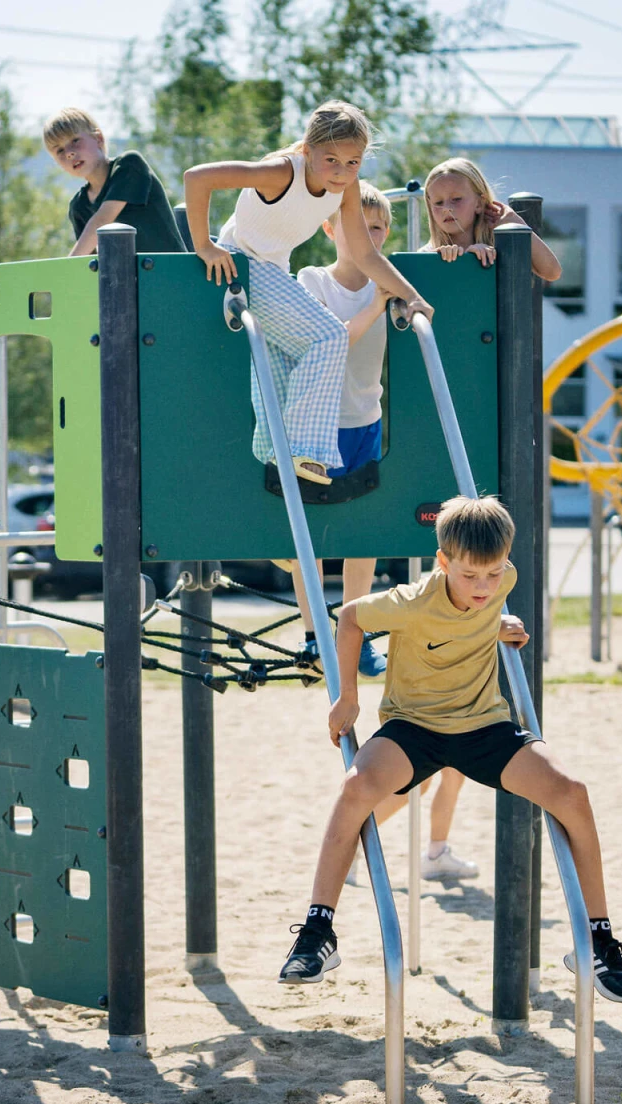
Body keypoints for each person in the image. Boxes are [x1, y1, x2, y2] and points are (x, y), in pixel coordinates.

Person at [277, 495, 622, 1004]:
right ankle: (318, 932)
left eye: (494, 575)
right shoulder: (409, 601)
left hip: (483, 725)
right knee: (356, 786)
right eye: (471, 576)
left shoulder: (504, 579)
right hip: (414, 727)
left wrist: (497, 625)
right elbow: (350, 618)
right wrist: (347, 696)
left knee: (572, 792)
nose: (484, 587)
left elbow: (475, 614)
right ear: (443, 562)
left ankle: (600, 941)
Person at [183, 101, 434, 484]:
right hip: (243, 264)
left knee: (285, 363)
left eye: (353, 162)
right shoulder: (281, 173)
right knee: (330, 335)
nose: (342, 171)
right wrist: (204, 245)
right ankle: (305, 450)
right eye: (331, 159)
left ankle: (274, 452)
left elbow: (365, 253)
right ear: (307, 150)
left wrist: (411, 295)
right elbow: (197, 178)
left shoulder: (345, 191)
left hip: (271, 271)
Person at [283, 180, 397, 680]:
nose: (365, 237)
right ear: (331, 228)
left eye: (375, 229)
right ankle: (313, 634)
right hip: (315, 421)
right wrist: (379, 303)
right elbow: (332, 340)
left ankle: (358, 629)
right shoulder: (314, 281)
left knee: (362, 534)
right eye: (356, 227)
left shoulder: (387, 278)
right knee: (308, 534)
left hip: (363, 419)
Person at [44, 107, 186, 256]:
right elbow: (88, 263)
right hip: (131, 279)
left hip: (173, 273)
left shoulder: (129, 165)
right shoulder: (79, 206)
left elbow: (102, 220)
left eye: (75, 140)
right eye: (59, 150)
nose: (69, 153)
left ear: (98, 139)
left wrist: (66, 269)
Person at [419, 158, 561, 279]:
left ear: (479, 203)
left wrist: (515, 221)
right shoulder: (426, 255)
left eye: (456, 199)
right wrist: (436, 262)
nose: (446, 208)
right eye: (438, 203)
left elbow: (552, 272)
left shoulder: (503, 249)